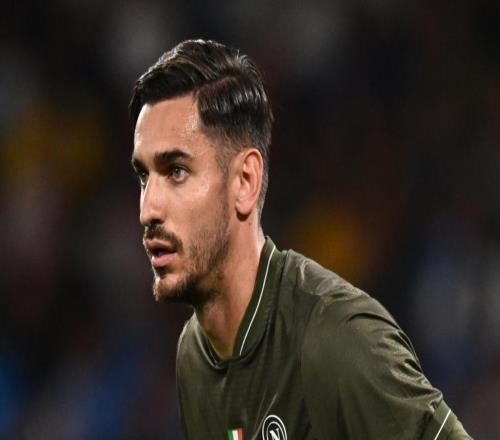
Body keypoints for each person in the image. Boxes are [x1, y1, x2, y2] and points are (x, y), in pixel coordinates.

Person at [129, 39, 471, 440]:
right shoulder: (193, 355)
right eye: (144, 176)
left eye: (177, 171)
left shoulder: (335, 338)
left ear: (245, 182)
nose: (148, 209)